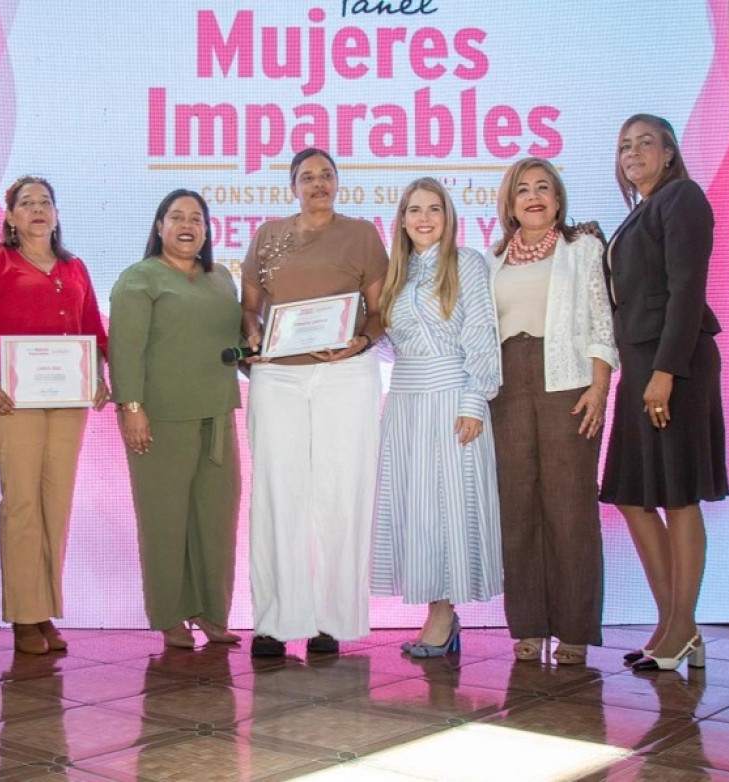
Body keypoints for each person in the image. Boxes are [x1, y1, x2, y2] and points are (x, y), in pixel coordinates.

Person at [241, 148, 388, 657]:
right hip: (277, 377)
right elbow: (250, 310)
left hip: (346, 374)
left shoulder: (363, 234)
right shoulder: (268, 235)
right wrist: (254, 336)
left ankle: (333, 621)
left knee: (339, 492)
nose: (318, 183)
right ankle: (274, 622)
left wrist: (361, 343)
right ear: (293, 186)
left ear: (338, 182)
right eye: (308, 177)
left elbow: (380, 309)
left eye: (327, 175)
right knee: (279, 493)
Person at [600, 114, 729, 671]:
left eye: (645, 142)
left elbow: (686, 291)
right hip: (639, 367)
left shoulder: (684, 199)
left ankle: (680, 628)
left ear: (670, 151)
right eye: (625, 145)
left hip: (672, 368)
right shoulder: (640, 213)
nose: (633, 152)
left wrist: (665, 372)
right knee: (631, 493)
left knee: (678, 496)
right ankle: (675, 626)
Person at [0, 176, 109, 654]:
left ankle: (44, 610)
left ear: (56, 211)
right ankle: (24, 616)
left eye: (45, 201)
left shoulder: (74, 267)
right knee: (22, 504)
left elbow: (93, 334)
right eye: (25, 203)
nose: (37, 210)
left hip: (68, 403)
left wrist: (99, 377)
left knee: (55, 504)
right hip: (12, 401)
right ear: (10, 216)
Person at [488, 158, 618, 665]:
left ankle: (575, 630)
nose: (534, 195)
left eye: (544, 187)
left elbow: (601, 320)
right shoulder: (492, 259)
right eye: (523, 189)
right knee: (517, 508)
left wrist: (600, 387)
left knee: (570, 508)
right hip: (506, 386)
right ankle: (529, 625)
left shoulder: (582, 248)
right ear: (510, 204)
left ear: (559, 200)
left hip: (568, 383)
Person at [371, 177, 502, 658]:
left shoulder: (466, 263)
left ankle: (443, 615)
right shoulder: (396, 274)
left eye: (434, 209)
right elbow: (394, 345)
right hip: (405, 402)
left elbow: (482, 336)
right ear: (401, 220)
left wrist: (474, 402)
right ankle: (436, 610)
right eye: (414, 210)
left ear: (448, 219)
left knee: (447, 506)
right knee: (418, 509)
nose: (424, 218)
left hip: (451, 399)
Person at [108, 189, 243, 649]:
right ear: (160, 226)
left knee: (216, 520)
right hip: (159, 419)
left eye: (197, 218)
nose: (188, 225)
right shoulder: (139, 279)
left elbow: (235, 342)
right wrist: (132, 408)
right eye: (177, 217)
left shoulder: (222, 278)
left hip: (217, 417)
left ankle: (211, 613)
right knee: (164, 520)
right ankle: (169, 615)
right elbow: (125, 349)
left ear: (207, 230)